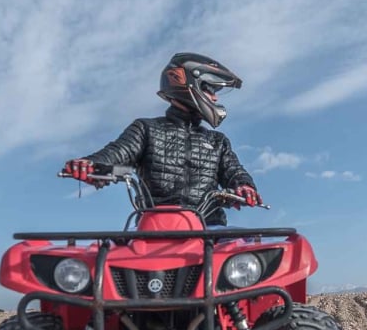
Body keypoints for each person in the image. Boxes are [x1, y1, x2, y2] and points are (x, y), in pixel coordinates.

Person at [62, 53, 262, 225]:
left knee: (252, 252)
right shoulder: (146, 129)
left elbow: (234, 172)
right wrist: (91, 165)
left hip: (210, 228)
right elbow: (117, 153)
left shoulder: (217, 141)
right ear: (189, 84)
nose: (215, 98)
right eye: (209, 90)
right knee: (110, 254)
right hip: (153, 227)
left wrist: (244, 187)